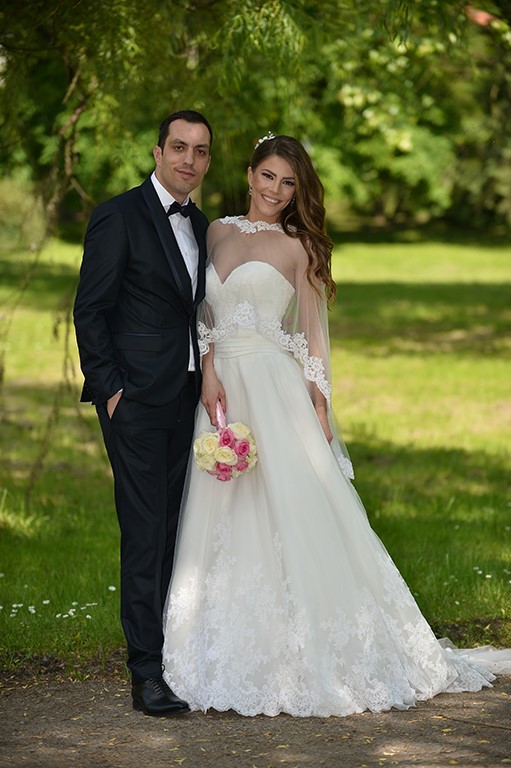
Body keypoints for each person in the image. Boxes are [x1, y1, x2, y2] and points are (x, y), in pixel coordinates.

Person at [161, 133, 511, 718]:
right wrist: (209, 373)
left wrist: (319, 410)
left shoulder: (299, 246)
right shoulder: (214, 231)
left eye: (288, 183)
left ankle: (320, 647)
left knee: (294, 509)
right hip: (222, 392)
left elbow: (313, 338)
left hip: (273, 388)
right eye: (268, 176)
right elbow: (201, 314)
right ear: (249, 174)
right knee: (225, 511)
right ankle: (220, 643)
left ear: (298, 191)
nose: (276, 190)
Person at [73, 110, 213, 716]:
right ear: (157, 152)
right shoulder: (118, 215)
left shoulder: (202, 224)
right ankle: (145, 673)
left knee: (179, 528)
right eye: (179, 147)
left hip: (187, 397)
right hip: (134, 401)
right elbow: (90, 309)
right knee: (145, 529)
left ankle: (173, 655)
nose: (189, 159)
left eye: (200, 151)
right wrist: (110, 389)